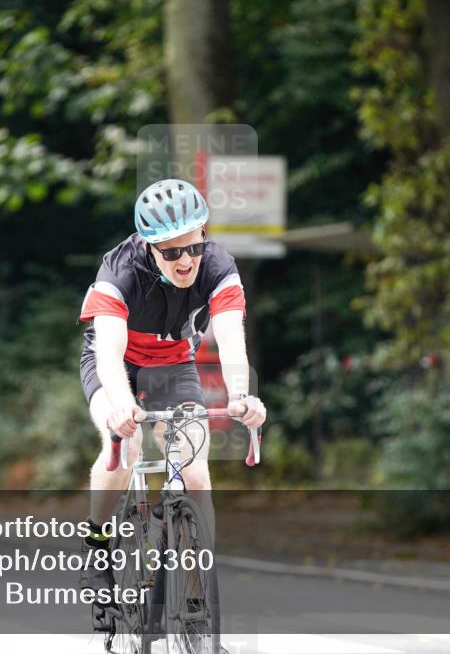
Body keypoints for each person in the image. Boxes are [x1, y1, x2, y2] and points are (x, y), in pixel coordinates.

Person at [78, 178, 266, 593]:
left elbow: (231, 339)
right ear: (150, 247)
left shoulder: (219, 266)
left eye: (194, 247)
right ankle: (96, 546)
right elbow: (108, 354)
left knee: (196, 474)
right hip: (116, 365)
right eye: (172, 252)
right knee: (125, 447)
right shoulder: (119, 271)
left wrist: (241, 395)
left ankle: (196, 600)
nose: (186, 261)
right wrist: (122, 406)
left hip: (174, 365)